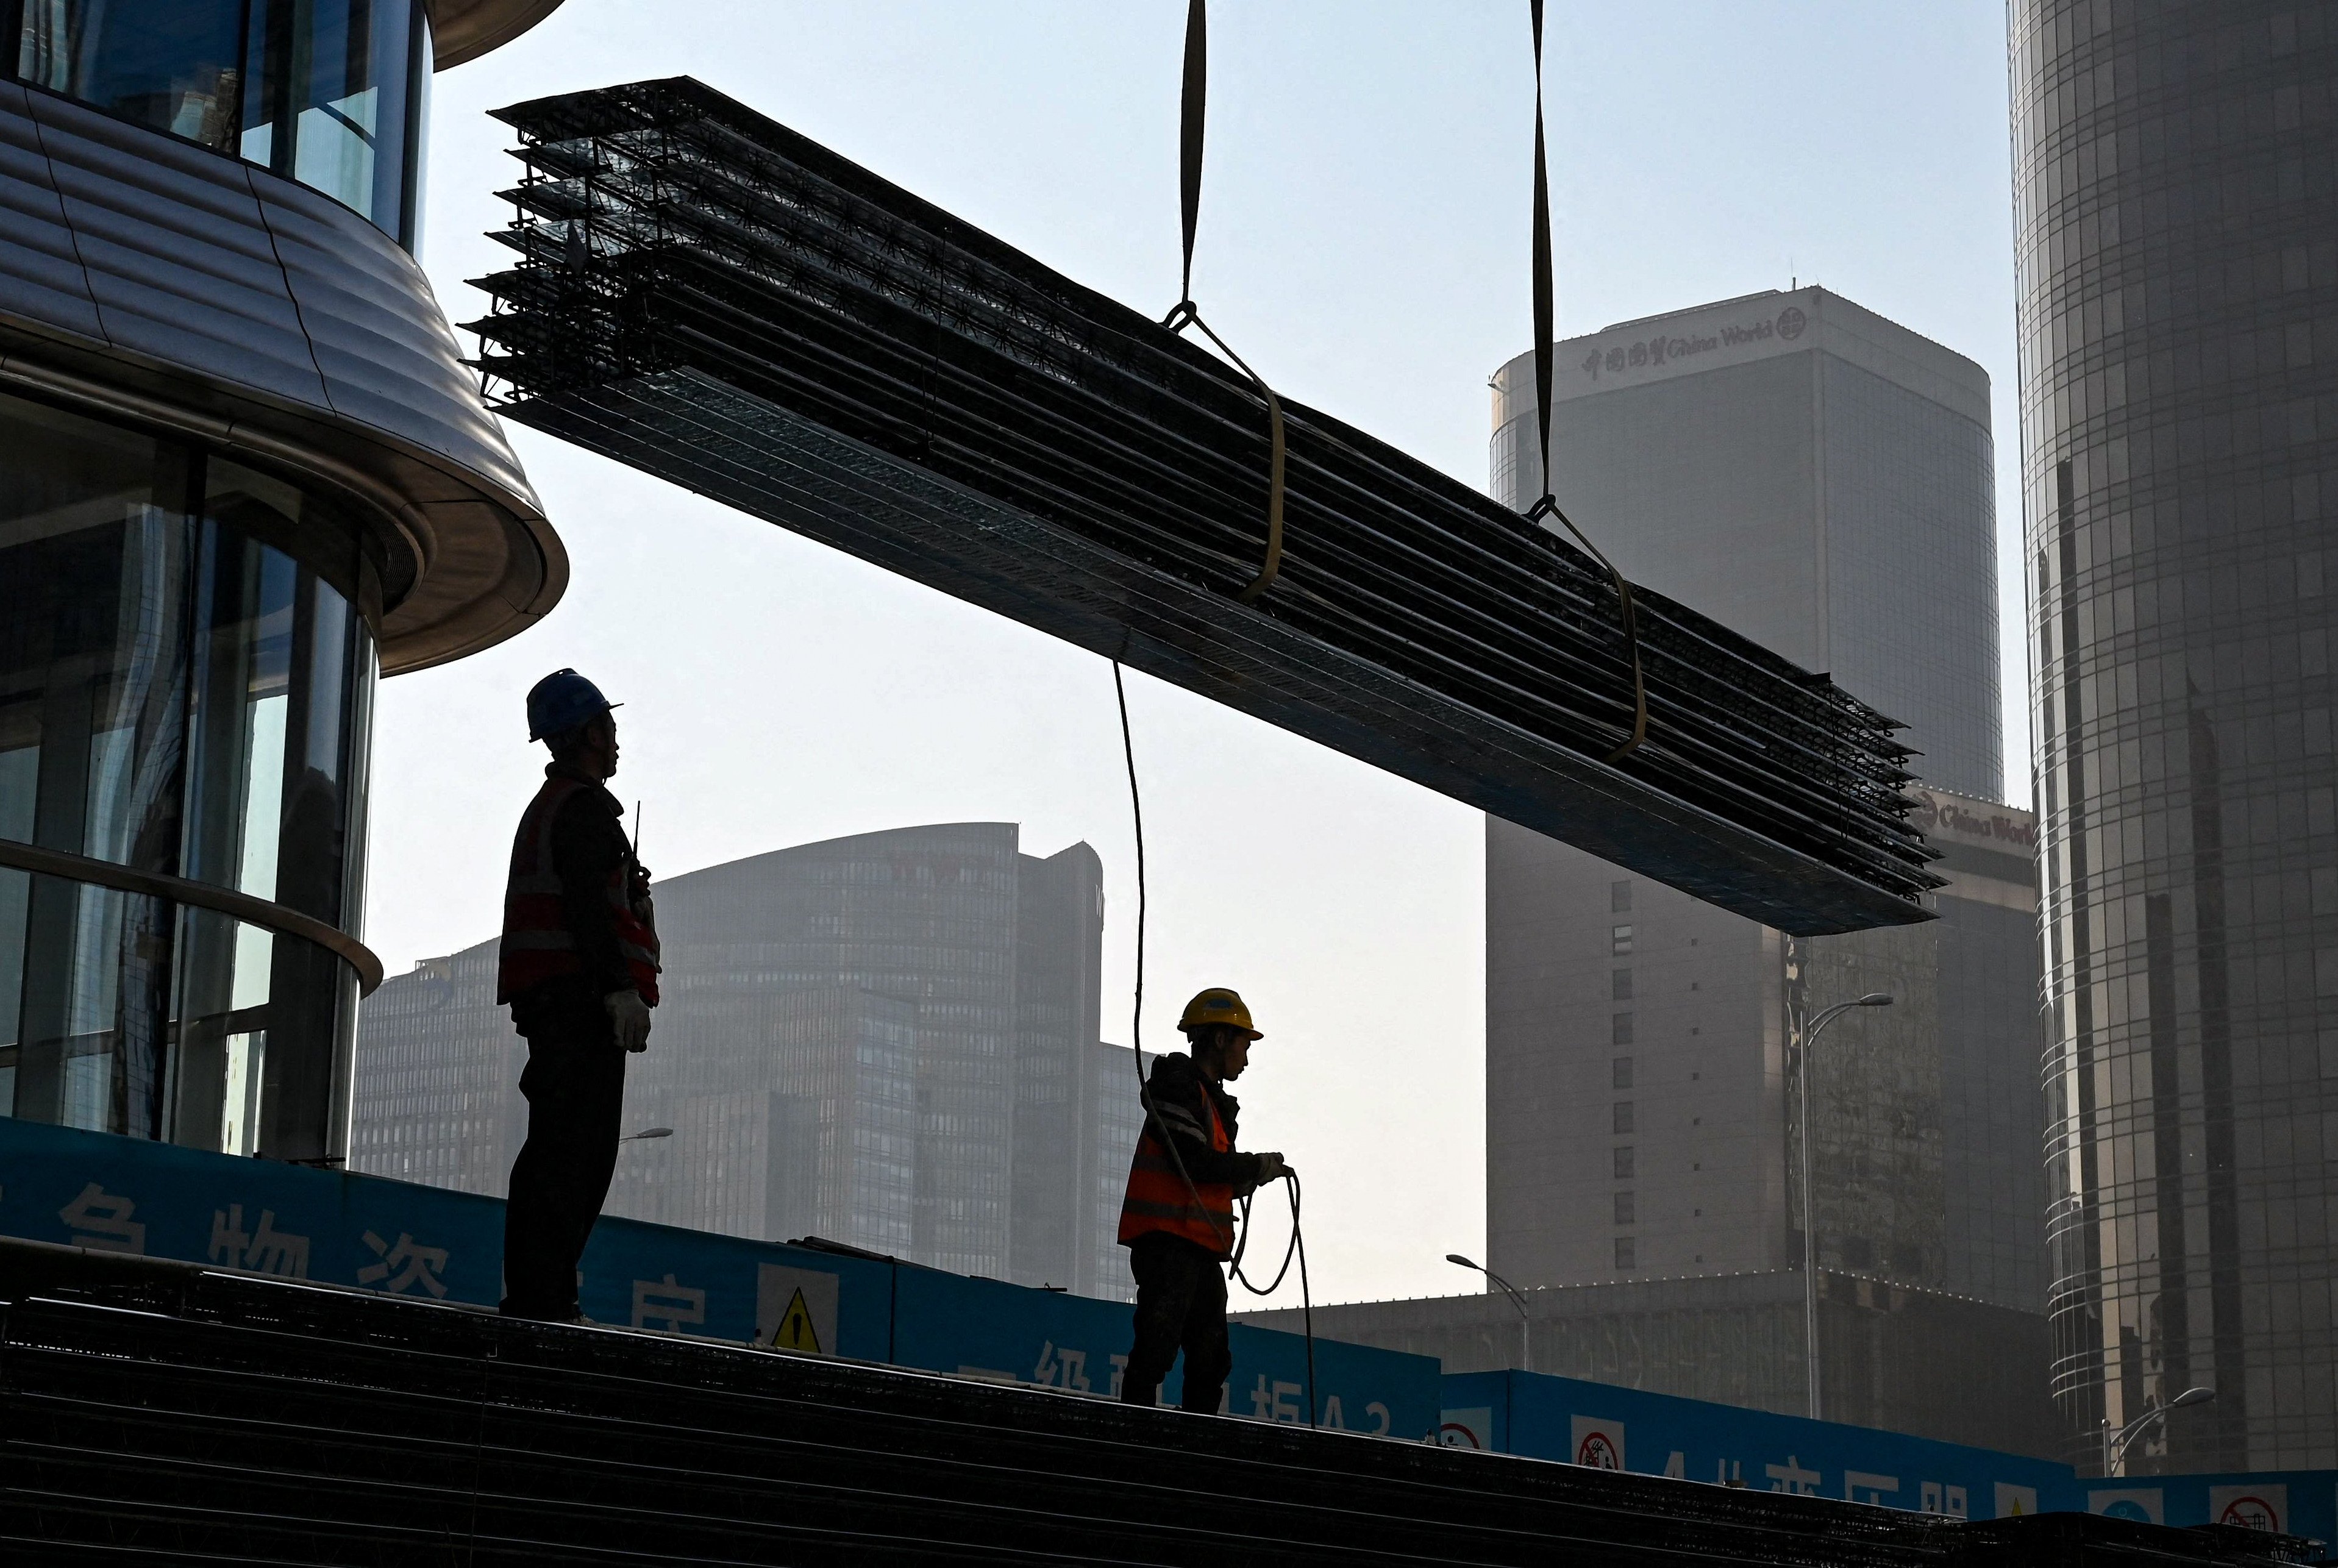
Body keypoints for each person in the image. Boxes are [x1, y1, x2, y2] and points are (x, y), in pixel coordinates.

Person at [495, 669, 660, 1320]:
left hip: (557, 1002)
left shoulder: (557, 807)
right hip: (579, 1004)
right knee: (575, 1155)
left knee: (558, 1148)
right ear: (586, 733)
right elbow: (589, 911)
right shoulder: (584, 809)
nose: (616, 742)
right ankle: (545, 1297)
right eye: (609, 729)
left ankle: (543, 1290)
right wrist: (620, 990)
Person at [1117, 986, 1291, 1412]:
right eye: (1243, 1045)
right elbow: (1193, 1162)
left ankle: (1199, 1446)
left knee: (1210, 1357)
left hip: (1197, 1246)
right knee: (1158, 1345)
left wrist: (1249, 1177)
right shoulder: (1177, 1089)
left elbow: (1211, 1174)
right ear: (1219, 1039)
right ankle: (1129, 1441)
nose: (1246, 1059)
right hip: (1168, 1242)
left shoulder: (1211, 1104)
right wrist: (1253, 1167)